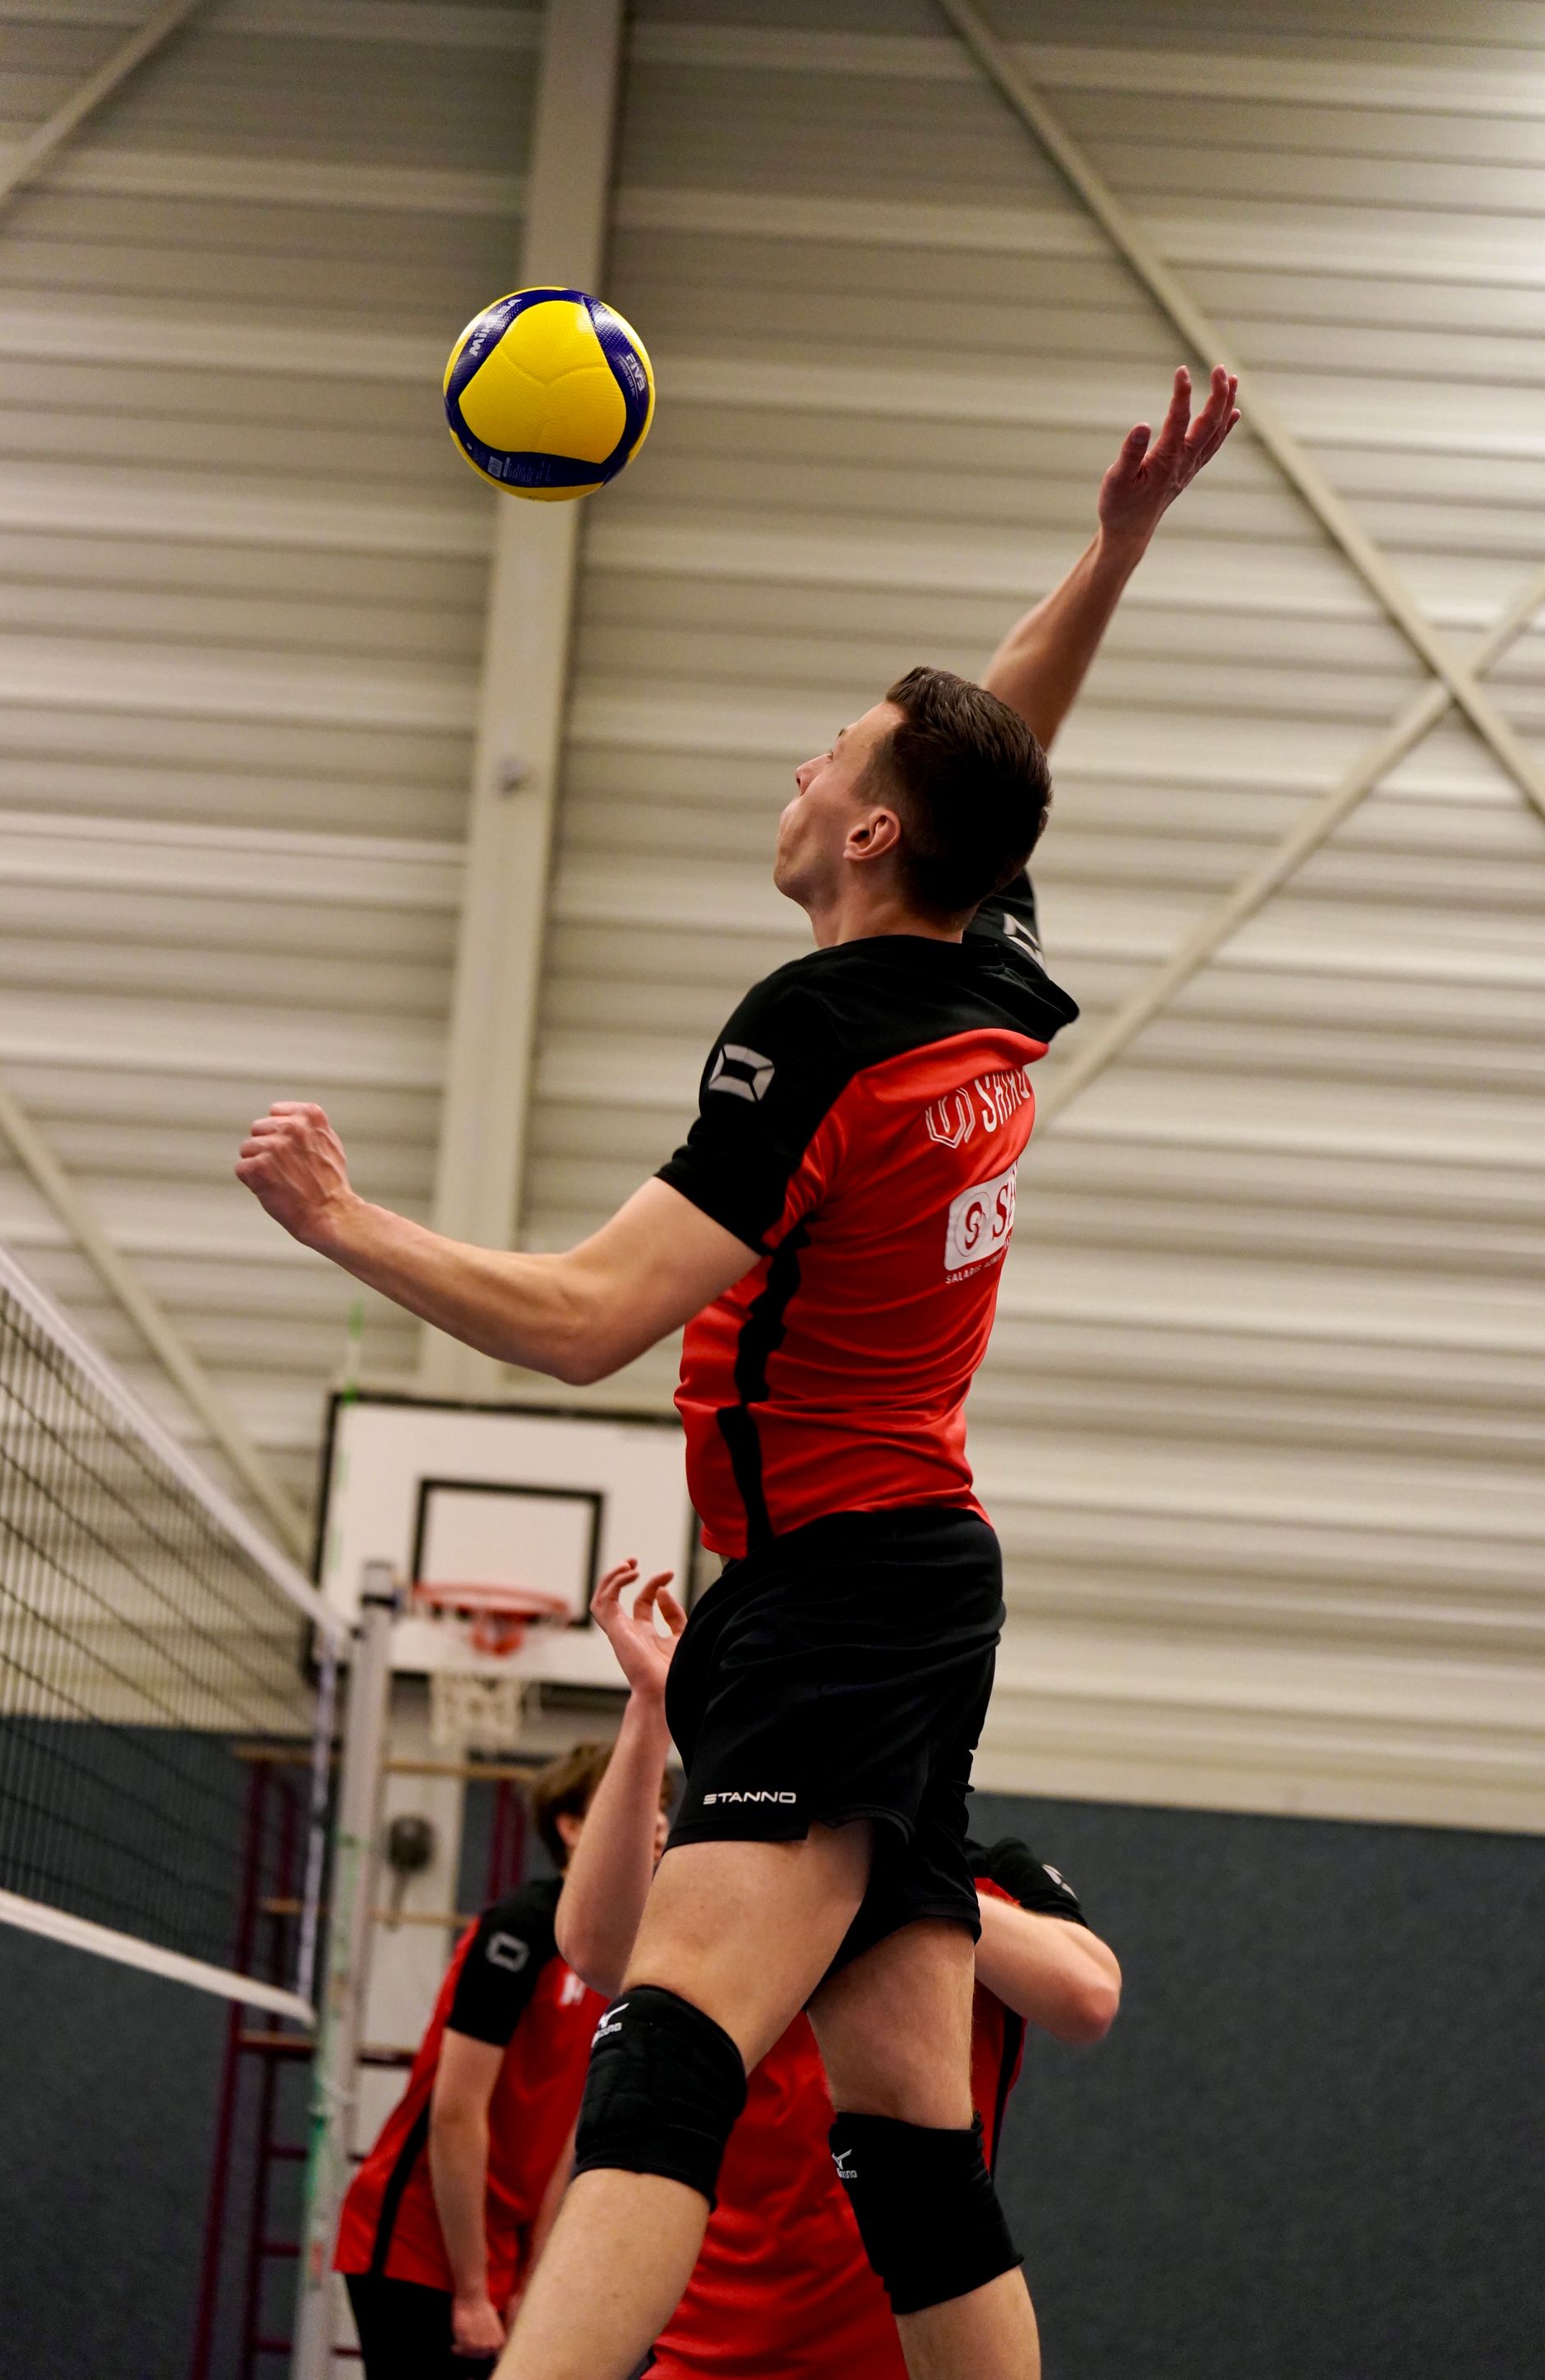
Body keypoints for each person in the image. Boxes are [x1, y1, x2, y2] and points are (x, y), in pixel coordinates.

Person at [238, 365, 1237, 2380]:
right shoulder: (975, 969)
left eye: (828, 754)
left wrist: (346, 1223)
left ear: (865, 832)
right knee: (909, 2137)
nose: (798, 765)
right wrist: (1113, 547)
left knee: (668, 2039)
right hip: (916, 1570)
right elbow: (1000, 751)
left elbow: (585, 1317)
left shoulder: (826, 1027)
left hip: (833, 1584)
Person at [558, 1559, 1120, 2380]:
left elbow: (1089, 1996)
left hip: (899, 2348)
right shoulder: (753, 1878)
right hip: (712, 2354)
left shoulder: (987, 1876)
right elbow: (596, 1946)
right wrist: (651, 1706)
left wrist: (910, 1881)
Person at [334, 1743, 665, 2373]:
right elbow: (455, 2113)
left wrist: (532, 2275)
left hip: (502, 2247)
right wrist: (470, 2289)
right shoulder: (521, 1929)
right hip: (419, 2237)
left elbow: (565, 2130)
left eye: (661, 1806)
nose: (656, 1820)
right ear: (572, 1828)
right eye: (635, 1802)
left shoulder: (620, 1957)